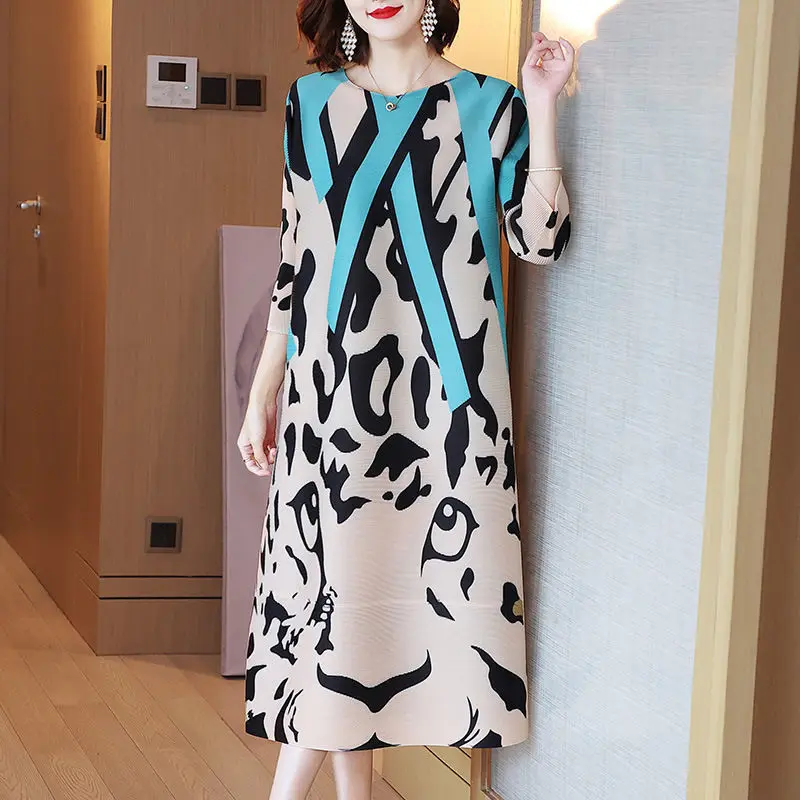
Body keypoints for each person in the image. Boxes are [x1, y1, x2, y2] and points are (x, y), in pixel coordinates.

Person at [237, 1, 573, 798]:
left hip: (448, 415)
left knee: (365, 611)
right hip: (329, 401)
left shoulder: (490, 105)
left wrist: (543, 105)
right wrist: (264, 390)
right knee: (339, 605)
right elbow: (295, 262)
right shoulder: (311, 103)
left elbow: (540, 238)